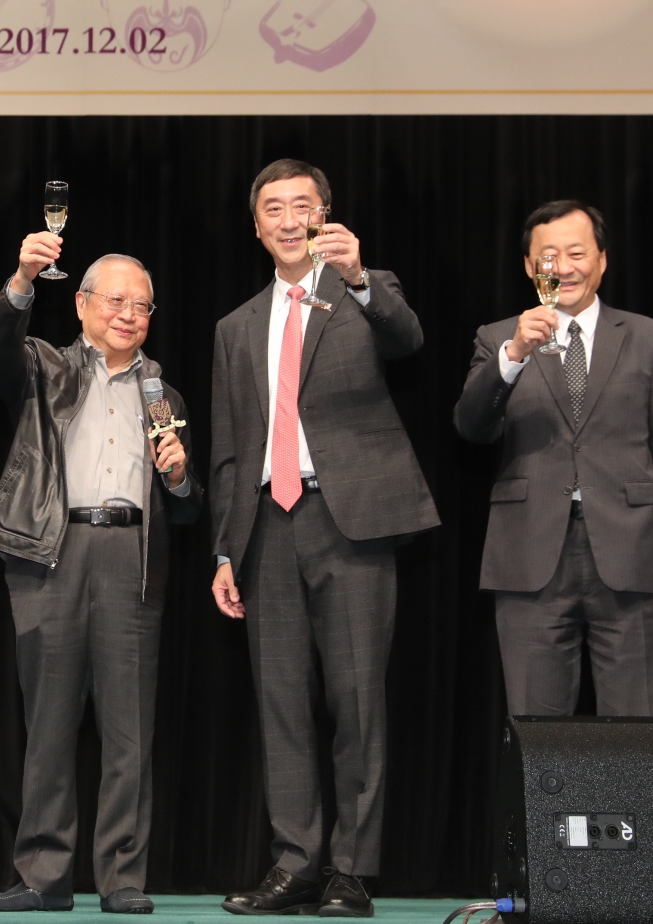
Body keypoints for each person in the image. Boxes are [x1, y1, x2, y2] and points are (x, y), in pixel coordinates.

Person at [209, 159, 438, 919]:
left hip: (350, 519)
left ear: (326, 215)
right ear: (255, 225)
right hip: (267, 527)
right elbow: (229, 447)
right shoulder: (235, 325)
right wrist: (222, 549)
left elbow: (408, 340)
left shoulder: (367, 291)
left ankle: (351, 870)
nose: (286, 218)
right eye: (271, 207)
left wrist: (362, 274)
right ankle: (295, 863)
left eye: (300, 205)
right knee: (281, 703)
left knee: (356, 699)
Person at [0, 235, 200, 916]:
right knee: (47, 722)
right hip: (52, 549)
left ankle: (122, 878)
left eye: (142, 305)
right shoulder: (45, 365)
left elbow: (185, 508)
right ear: (81, 305)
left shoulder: (165, 391)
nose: (129, 314)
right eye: (116, 300)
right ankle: (42, 876)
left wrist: (182, 479)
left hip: (131, 558)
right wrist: (21, 276)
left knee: (128, 727)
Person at [454, 199, 653, 717]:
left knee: (637, 735)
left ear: (602, 259)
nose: (563, 268)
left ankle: (633, 806)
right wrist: (514, 356)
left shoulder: (651, 339)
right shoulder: (498, 338)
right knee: (538, 736)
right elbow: (471, 427)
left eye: (576, 253)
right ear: (528, 267)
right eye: (548, 257)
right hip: (529, 558)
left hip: (634, 556)